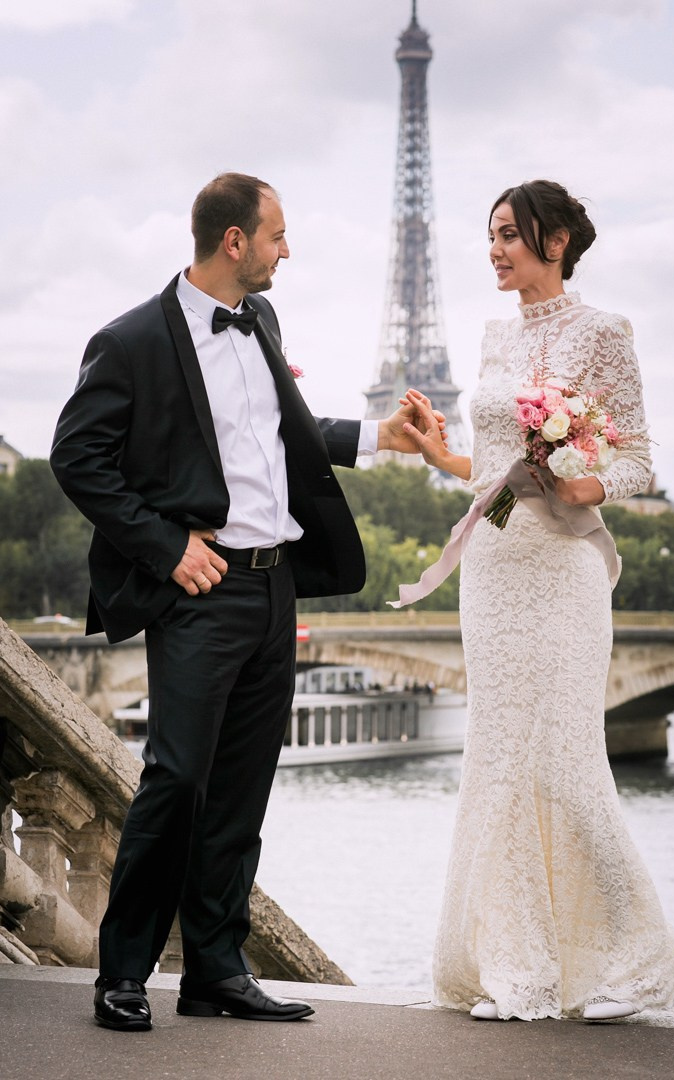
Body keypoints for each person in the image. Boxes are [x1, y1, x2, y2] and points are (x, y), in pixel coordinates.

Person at [50, 172, 437, 1032]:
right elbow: (77, 458)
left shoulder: (261, 320)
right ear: (236, 240)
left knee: (241, 789)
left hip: (276, 586)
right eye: (277, 235)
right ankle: (124, 972)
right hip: (204, 586)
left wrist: (382, 435)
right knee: (176, 778)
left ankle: (216, 971)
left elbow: (288, 431)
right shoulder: (132, 340)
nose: (285, 250)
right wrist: (164, 545)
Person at [401, 180, 674, 1021]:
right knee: (498, 766)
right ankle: (520, 970)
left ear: (559, 240)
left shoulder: (604, 333)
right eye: (490, 235)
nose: (495, 249)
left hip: (565, 574)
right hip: (494, 569)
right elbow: (494, 470)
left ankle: (636, 963)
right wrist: (442, 457)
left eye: (509, 234)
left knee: (569, 765)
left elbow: (640, 458)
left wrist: (591, 486)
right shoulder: (496, 336)